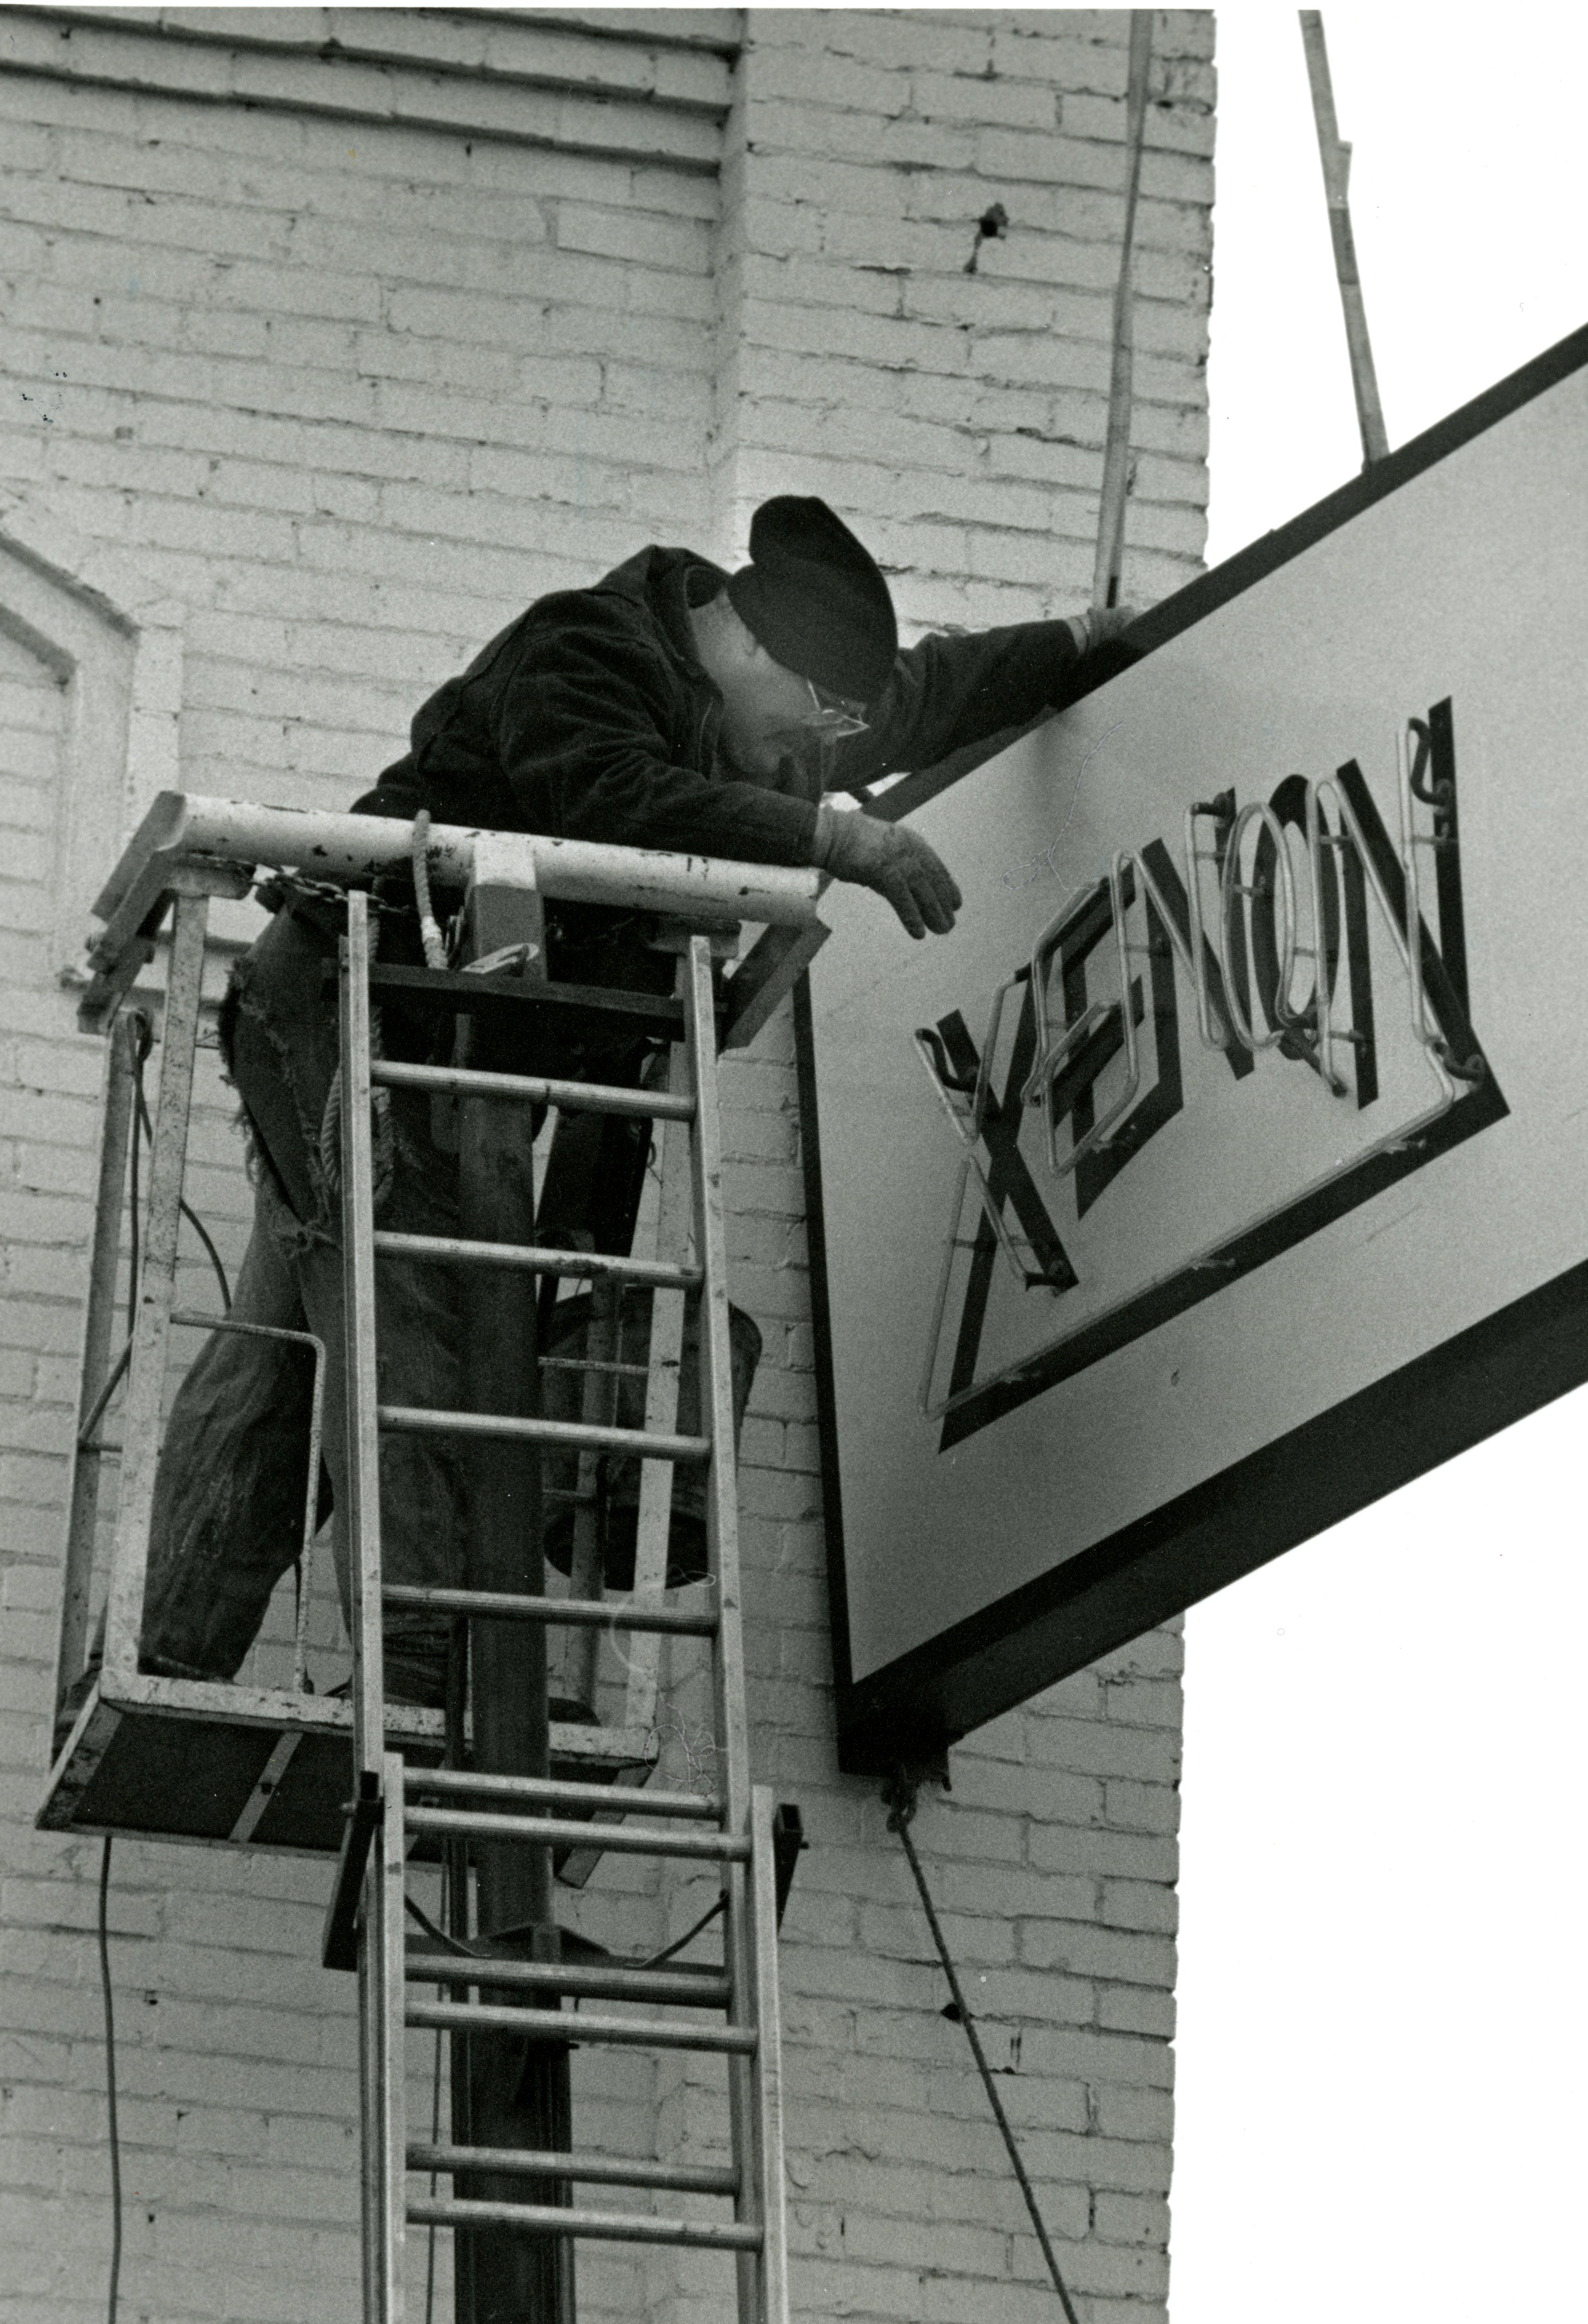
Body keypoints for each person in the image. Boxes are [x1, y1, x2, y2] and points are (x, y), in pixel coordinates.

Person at [135, 496, 1138, 1708]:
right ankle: (416, 1678)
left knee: (293, 1357)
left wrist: (1083, 642)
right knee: (414, 1317)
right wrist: (839, 842)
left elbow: (927, 693)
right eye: (819, 715)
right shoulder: (586, 646)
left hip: (429, 1043)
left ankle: (172, 1649)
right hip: (350, 1009)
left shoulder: (769, 719)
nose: (819, 746)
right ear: (750, 645)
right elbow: (610, 793)